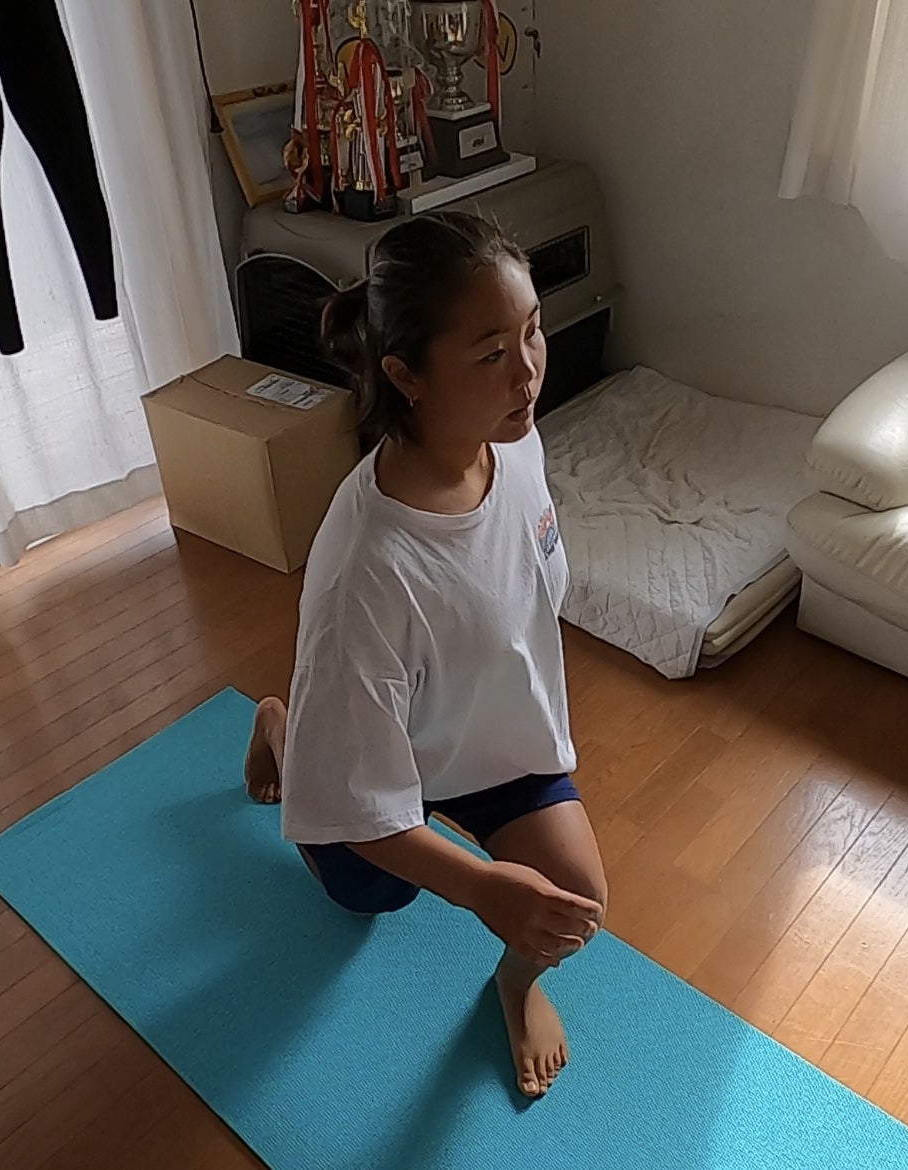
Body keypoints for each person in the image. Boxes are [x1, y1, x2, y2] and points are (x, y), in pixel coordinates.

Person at [243, 210, 607, 1100]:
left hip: (485, 737)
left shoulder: (511, 440)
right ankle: (288, 732)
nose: (527, 371)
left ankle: (513, 988)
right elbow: (364, 810)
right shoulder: (366, 575)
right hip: (378, 762)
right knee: (374, 899)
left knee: (575, 902)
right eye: (490, 353)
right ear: (404, 375)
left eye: (531, 332)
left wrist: (511, 910)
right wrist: (479, 886)